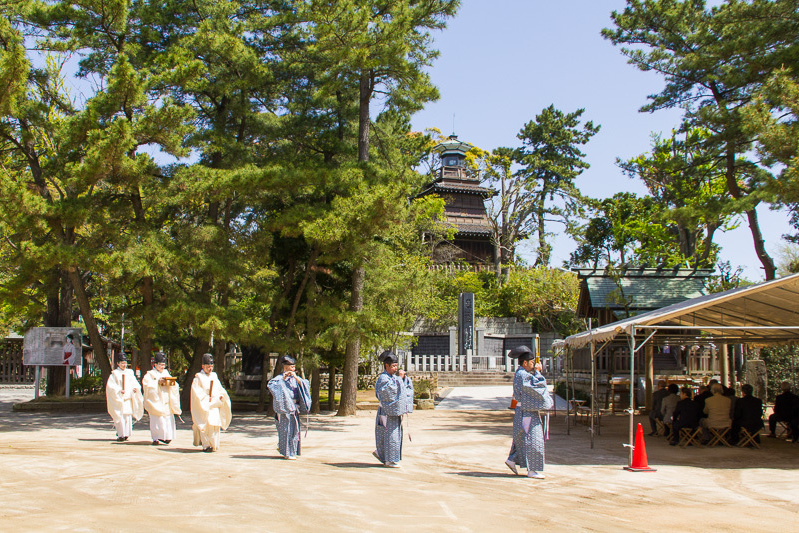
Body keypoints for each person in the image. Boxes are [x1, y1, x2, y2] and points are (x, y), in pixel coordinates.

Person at [505, 345, 553, 480]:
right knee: (533, 440)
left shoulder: (522, 374)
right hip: (526, 412)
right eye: (532, 362)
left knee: (523, 439)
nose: (534, 365)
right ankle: (532, 470)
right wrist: (538, 372)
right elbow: (538, 387)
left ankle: (512, 460)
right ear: (525, 363)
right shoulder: (523, 375)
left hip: (525, 411)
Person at [373, 351, 413, 468]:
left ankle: (383, 455)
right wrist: (400, 380)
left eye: (396, 366)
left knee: (391, 434)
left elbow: (403, 388)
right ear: (387, 366)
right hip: (385, 412)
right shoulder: (383, 378)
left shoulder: (392, 377)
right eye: (393, 366)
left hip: (392, 412)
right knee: (388, 434)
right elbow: (390, 392)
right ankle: (389, 459)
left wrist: (403, 379)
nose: (395, 369)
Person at [267, 355, 311, 460]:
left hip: (294, 407)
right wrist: (282, 379)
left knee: (295, 430)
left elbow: (305, 385)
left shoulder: (296, 379)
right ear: (285, 367)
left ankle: (293, 451)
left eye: (294, 367)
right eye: (291, 367)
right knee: (285, 430)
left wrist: (295, 377)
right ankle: (286, 452)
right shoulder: (278, 379)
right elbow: (272, 386)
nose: (293, 369)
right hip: (284, 408)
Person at [190, 353, 232, 452]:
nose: (210, 369)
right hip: (205, 405)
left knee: (215, 425)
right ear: (203, 366)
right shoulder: (198, 378)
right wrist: (205, 399)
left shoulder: (214, 376)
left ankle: (214, 445)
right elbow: (196, 393)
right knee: (205, 425)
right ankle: (206, 445)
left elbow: (219, 388)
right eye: (208, 366)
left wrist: (221, 396)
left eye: (211, 366)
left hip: (215, 404)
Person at [142, 352, 181, 446]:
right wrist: (157, 383)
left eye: (163, 365)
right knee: (157, 419)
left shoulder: (166, 373)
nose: (162, 367)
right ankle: (156, 438)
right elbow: (147, 385)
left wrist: (172, 383)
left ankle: (167, 437)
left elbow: (175, 385)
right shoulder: (150, 375)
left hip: (166, 400)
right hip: (156, 401)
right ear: (155, 365)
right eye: (160, 365)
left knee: (167, 419)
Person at [105, 353, 144, 442]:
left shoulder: (130, 373)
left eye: (125, 363)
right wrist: (119, 390)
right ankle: (120, 434)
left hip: (128, 398)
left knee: (127, 417)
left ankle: (126, 433)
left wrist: (135, 389)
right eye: (122, 363)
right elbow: (110, 387)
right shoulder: (114, 374)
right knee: (120, 417)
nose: (124, 365)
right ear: (118, 363)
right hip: (120, 399)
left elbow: (135, 383)